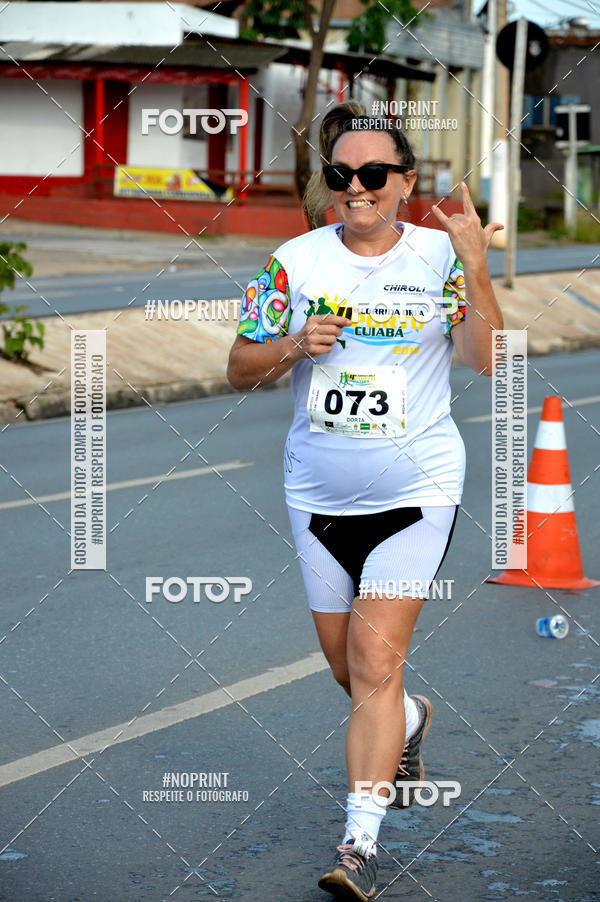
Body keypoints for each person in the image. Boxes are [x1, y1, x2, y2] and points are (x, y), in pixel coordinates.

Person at [227, 100, 503, 901]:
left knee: (376, 661)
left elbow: (484, 359)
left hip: (418, 490)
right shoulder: (294, 263)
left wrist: (475, 264)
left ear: (406, 183)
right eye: (342, 174)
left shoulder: (440, 257)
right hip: (315, 495)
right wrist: (288, 346)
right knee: (352, 670)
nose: (357, 188)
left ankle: (358, 844)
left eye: (374, 174)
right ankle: (411, 722)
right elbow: (238, 368)